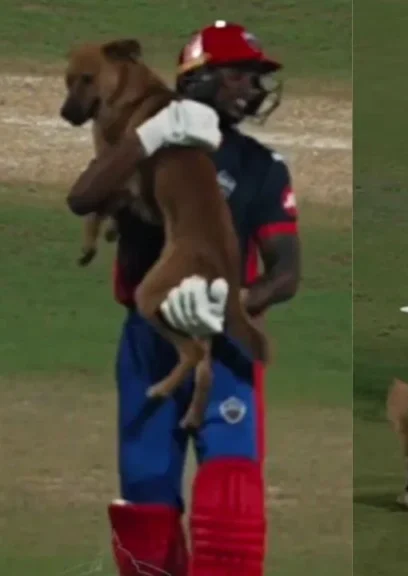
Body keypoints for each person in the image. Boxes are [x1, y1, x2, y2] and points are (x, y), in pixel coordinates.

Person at [65, 21, 301, 575]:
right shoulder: (137, 148)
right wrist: (150, 136)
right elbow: (84, 197)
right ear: (198, 79)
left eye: (256, 78)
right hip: (147, 342)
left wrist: (234, 301)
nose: (252, 89)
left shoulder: (261, 167)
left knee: (230, 509)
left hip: (225, 346)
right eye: (239, 75)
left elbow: (287, 272)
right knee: (146, 503)